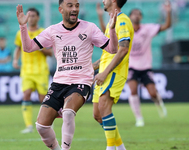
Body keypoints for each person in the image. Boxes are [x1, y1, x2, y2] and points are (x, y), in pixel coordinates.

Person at [16, 0, 119, 149]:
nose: (74, 9)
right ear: (60, 9)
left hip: (81, 82)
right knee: (41, 126)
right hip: (59, 83)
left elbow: (113, 49)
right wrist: (23, 26)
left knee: (68, 112)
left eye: (76, 5)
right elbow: (28, 47)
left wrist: (113, 30)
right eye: (70, 5)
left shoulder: (89, 28)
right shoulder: (53, 30)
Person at [92, 0, 134, 149]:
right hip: (104, 71)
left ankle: (110, 148)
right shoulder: (113, 21)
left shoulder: (122, 21)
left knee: (104, 107)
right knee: (97, 114)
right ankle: (121, 148)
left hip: (114, 72)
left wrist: (104, 73)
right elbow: (109, 52)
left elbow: (123, 49)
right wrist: (93, 67)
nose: (103, 0)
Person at [127, 1, 172, 127]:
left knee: (152, 93)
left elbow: (167, 26)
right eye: (134, 14)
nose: (136, 16)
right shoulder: (125, 30)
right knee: (133, 90)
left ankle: (159, 103)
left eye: (138, 14)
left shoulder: (148, 29)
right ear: (130, 16)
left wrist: (168, 11)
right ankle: (139, 118)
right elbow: (106, 30)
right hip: (131, 66)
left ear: (141, 17)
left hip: (145, 66)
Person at [13, 7, 52, 134]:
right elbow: (18, 47)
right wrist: (15, 60)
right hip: (26, 71)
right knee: (26, 94)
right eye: (29, 16)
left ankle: (45, 123)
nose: (31, 18)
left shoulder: (43, 32)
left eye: (34, 16)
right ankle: (29, 125)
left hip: (41, 71)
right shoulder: (20, 33)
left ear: (38, 18)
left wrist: (39, 48)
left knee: (42, 98)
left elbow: (51, 52)